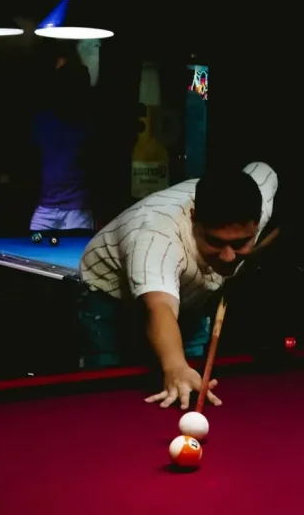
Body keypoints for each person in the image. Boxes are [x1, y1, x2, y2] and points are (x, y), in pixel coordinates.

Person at [78, 161, 279, 408]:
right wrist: (175, 366)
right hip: (111, 299)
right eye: (215, 242)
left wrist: (255, 251)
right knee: (107, 392)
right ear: (194, 218)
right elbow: (159, 305)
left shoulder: (260, 197)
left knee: (188, 381)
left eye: (239, 243)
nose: (228, 256)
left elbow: (263, 169)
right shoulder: (157, 235)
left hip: (190, 297)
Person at [30, 47, 94, 232]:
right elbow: (33, 162)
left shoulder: (89, 122)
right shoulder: (43, 120)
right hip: (46, 208)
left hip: (78, 210)